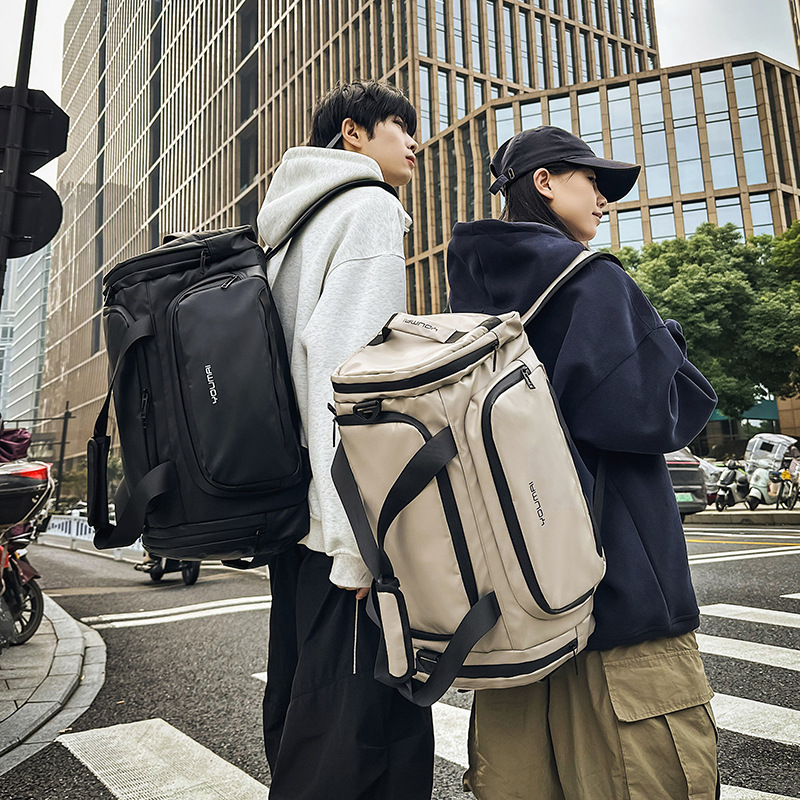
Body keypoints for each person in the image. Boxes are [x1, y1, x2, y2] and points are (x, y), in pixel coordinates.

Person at [446, 126, 720, 800]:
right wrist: (664, 336)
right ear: (544, 182)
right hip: (618, 604)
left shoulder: (468, 302)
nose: (605, 200)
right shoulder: (590, 283)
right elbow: (661, 411)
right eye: (592, 181)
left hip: (515, 622)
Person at [255, 81, 433, 800]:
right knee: (362, 741)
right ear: (354, 135)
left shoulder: (291, 226)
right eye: (401, 126)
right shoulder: (368, 209)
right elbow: (351, 382)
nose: (415, 141)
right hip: (341, 532)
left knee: (306, 715)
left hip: (296, 523)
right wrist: (359, 547)